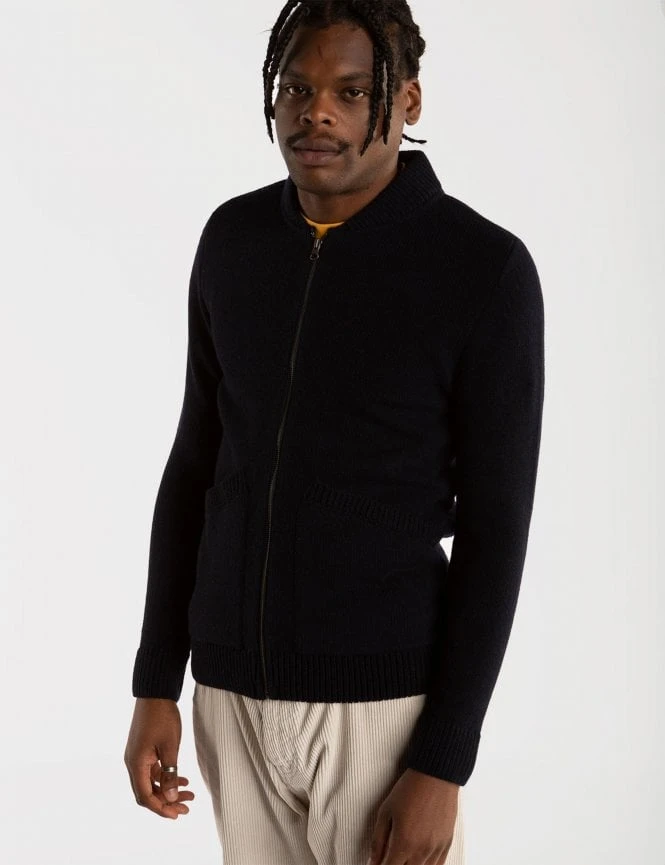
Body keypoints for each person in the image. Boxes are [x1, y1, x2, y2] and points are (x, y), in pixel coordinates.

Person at [124, 2, 545, 864]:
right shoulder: (234, 240)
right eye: (296, 88)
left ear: (407, 101)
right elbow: (195, 464)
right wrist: (155, 679)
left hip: (381, 708)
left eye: (352, 91)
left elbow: (496, 526)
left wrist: (443, 759)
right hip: (230, 699)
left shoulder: (480, 267)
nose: (315, 112)